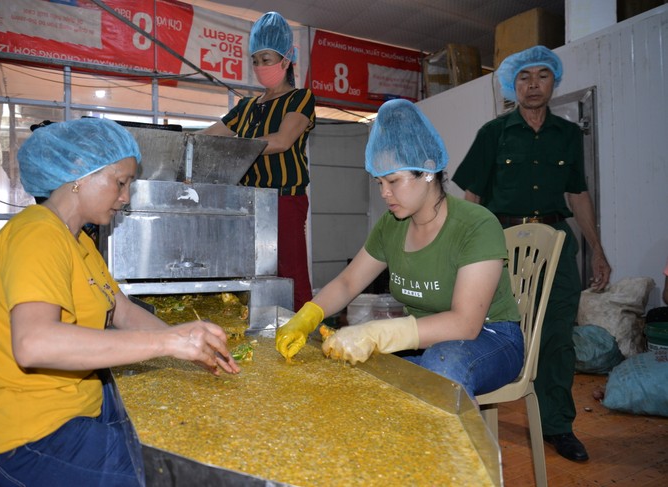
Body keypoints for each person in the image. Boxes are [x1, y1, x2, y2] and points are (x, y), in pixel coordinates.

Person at [0, 117, 241, 487]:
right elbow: (33, 344)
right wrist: (171, 342)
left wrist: (193, 346)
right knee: (177, 477)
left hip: (78, 408)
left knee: (189, 437)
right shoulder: (36, 235)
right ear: (79, 173)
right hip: (30, 438)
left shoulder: (78, 241)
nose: (125, 197)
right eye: (121, 182)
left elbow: (123, 312)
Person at [275, 98, 525, 399]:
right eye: (379, 182)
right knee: (361, 376)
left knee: (441, 367)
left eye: (393, 180)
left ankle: (454, 447)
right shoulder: (391, 225)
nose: (384, 193)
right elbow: (348, 282)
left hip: (490, 338)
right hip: (424, 339)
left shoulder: (476, 225)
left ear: (428, 169)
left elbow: (465, 323)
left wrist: (379, 332)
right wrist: (307, 317)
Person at [452, 45, 612, 463]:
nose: (534, 84)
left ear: (553, 82)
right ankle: (475, 410)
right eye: (525, 77)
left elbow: (577, 193)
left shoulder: (568, 135)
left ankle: (559, 425)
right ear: (513, 86)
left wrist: (597, 249)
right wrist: (467, 251)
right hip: (503, 239)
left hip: (556, 241)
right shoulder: (493, 133)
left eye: (542, 75)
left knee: (557, 336)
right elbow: (470, 197)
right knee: (493, 328)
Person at [200, 11, 316, 311]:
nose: (260, 67)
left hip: (284, 201)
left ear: (286, 60)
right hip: (249, 203)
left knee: (292, 274)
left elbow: (281, 141)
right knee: (251, 273)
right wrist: (180, 140)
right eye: (255, 61)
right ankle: (258, 329)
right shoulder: (246, 107)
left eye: (267, 60)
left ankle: (306, 332)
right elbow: (209, 137)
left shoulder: (300, 99)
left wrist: (235, 146)